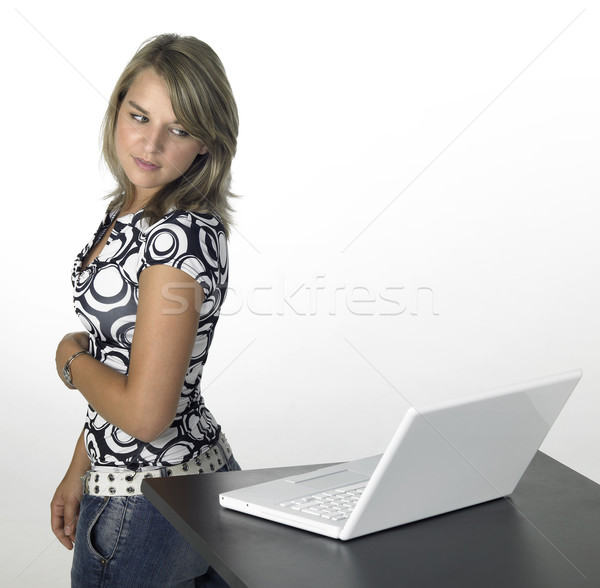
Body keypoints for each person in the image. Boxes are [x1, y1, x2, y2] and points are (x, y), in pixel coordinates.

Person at [51, 34, 240, 587]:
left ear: (206, 144)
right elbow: (126, 365)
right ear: (117, 110)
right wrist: (78, 471)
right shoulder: (131, 213)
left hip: (145, 504)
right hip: (191, 484)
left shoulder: (176, 237)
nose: (151, 143)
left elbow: (144, 415)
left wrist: (69, 361)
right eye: (139, 116)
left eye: (179, 129)